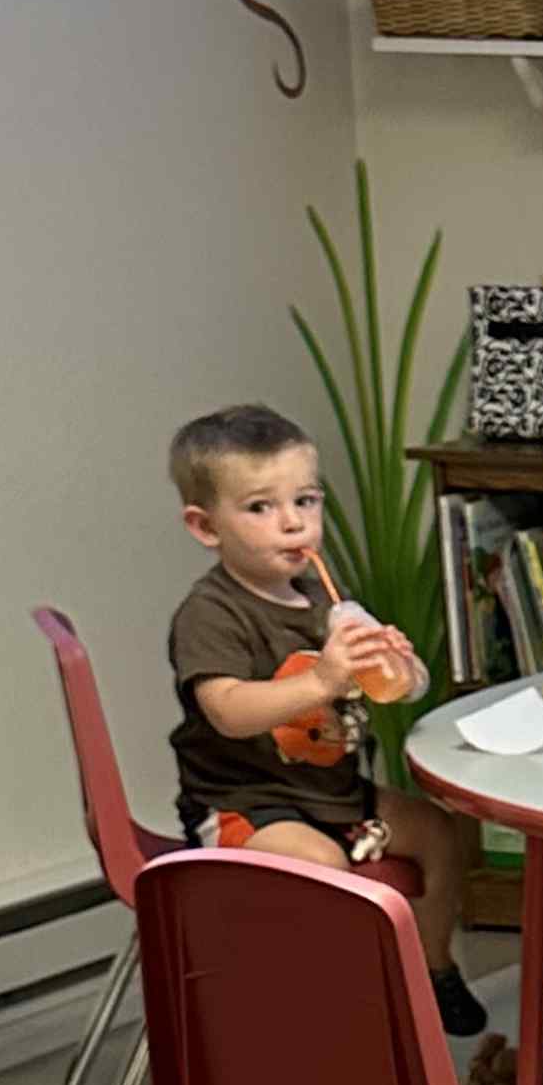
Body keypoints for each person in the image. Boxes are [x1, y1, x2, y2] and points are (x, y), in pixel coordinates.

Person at [163, 403, 479, 1030]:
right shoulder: (212, 614)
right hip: (246, 800)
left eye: (305, 501)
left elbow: (394, 686)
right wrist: (321, 680)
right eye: (260, 507)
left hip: (332, 792)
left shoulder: (323, 600)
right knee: (326, 871)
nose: (292, 523)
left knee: (441, 834)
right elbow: (227, 712)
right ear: (205, 526)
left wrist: (396, 666)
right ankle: (340, 1015)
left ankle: (432, 967)